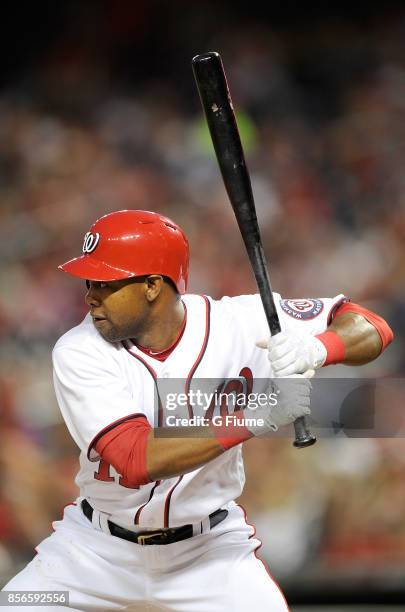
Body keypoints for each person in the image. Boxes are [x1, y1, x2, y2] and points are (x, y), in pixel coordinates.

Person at [2, 210, 393, 611]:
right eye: (90, 281)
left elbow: (372, 326)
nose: (89, 295)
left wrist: (317, 348)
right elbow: (136, 458)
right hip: (94, 555)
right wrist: (259, 416)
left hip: (208, 554)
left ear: (153, 286)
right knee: (18, 603)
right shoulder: (80, 349)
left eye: (105, 283)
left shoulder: (239, 322)